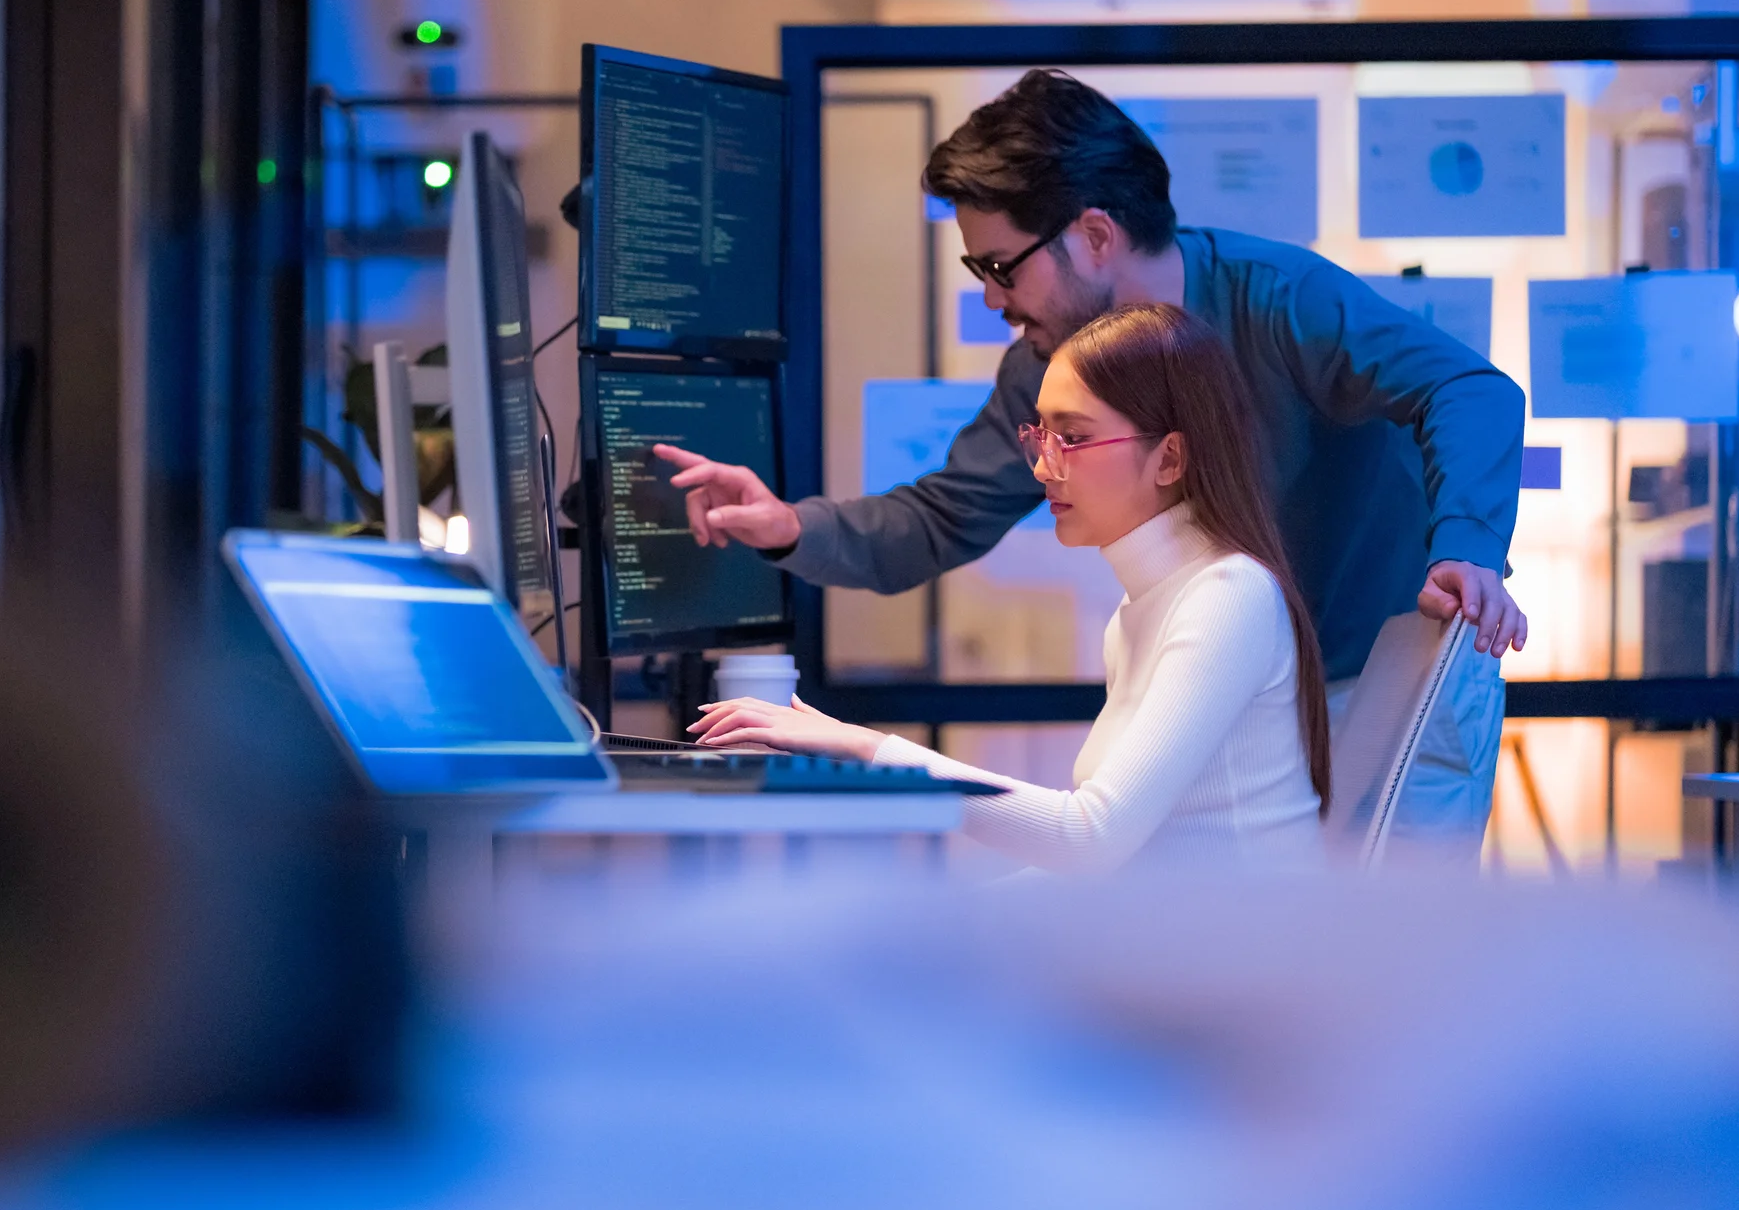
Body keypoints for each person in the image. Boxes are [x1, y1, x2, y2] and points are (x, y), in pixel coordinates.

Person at [654, 69, 1529, 864]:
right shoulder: (1052, 369)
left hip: (1379, 666)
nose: (991, 298)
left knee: (1378, 970)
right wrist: (791, 525)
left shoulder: (1281, 302)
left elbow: (1467, 389)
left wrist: (1466, 549)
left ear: (1096, 234)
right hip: (1264, 698)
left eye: (1000, 267)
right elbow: (946, 513)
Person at [690, 305, 1326, 873]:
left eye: (1072, 437)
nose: (1045, 466)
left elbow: (1088, 838)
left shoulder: (1226, 596)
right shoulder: (1147, 608)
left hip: (1234, 977)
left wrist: (864, 746)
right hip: (1173, 952)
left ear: (1169, 459)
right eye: (1040, 435)